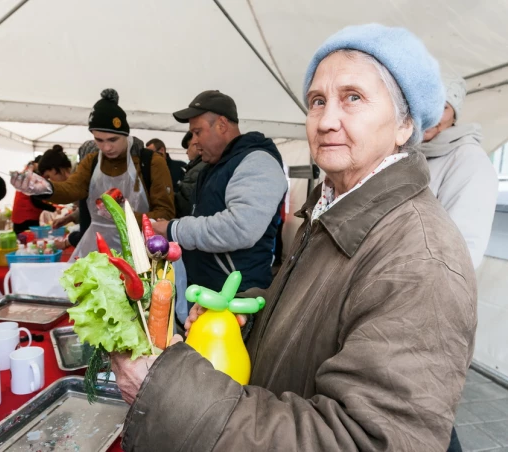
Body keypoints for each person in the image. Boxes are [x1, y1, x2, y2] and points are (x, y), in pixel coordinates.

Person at [113, 25, 477, 451]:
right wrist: (250, 320)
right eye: (317, 101)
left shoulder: (421, 261)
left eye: (353, 98)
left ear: (405, 124)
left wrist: (167, 391)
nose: (326, 121)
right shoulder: (333, 209)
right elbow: (317, 313)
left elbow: (364, 441)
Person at [11, 89, 175, 257]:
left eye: (113, 140)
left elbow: (165, 213)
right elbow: (72, 188)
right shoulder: (92, 161)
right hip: (97, 251)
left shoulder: (151, 162)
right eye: (99, 140)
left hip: (139, 251)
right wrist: (45, 189)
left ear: (125, 134)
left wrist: (124, 216)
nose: (106, 148)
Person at [152, 90, 288, 293]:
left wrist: (173, 229)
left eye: (198, 132)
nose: (194, 141)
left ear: (222, 125)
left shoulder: (258, 162)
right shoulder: (214, 166)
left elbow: (240, 228)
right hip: (208, 293)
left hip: (236, 298)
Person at [421, 74, 498, 269]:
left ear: (455, 114)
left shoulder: (470, 159)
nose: (432, 114)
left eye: (443, 107)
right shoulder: (411, 153)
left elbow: (464, 248)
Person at [10, 159, 56, 234]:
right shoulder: (32, 177)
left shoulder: (27, 173)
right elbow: (36, 201)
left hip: (20, 216)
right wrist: (54, 209)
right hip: (27, 218)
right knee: (29, 241)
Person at [175, 131, 207, 217]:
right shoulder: (196, 167)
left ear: (196, 145)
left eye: (188, 147)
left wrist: (179, 185)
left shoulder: (199, 168)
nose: (186, 152)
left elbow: (191, 196)